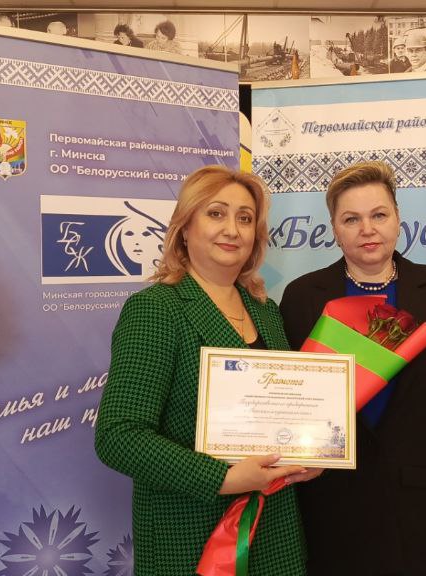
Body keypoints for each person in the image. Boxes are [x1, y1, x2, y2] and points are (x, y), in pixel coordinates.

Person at [280, 161, 426, 576]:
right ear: (335, 229)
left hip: (418, 493)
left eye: (379, 215)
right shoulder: (302, 296)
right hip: (329, 498)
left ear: (398, 219)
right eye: (351, 219)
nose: (367, 229)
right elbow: (287, 397)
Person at [95, 166, 309, 576]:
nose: (232, 229)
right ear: (185, 228)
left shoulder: (266, 312)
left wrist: (307, 455)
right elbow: (118, 436)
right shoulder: (156, 309)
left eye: (245, 218)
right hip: (190, 538)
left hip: (274, 538)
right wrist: (222, 478)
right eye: (216, 213)